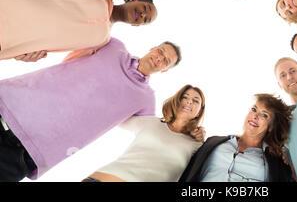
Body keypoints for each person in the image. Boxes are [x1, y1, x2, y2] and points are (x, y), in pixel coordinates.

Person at [0, 38, 181, 181]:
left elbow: (152, 134)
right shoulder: (114, 46)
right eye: (160, 51)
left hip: (29, 152)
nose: (159, 58)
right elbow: (77, 39)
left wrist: (188, 131)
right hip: (9, 105)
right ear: (152, 48)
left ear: (165, 70)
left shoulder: (146, 99)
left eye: (166, 60)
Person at [0, 0, 157, 62]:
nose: (142, 14)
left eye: (145, 19)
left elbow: (71, 66)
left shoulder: (101, 42)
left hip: (9, 41)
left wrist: (29, 57)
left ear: (137, 25)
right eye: (145, 8)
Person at [83, 84, 206, 182]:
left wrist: (202, 137)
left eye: (196, 101)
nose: (189, 101)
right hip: (101, 178)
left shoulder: (196, 144)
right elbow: (115, 116)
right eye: (185, 97)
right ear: (176, 101)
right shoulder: (150, 122)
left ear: (199, 112)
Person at [179, 93, 294, 182]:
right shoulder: (214, 142)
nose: (255, 116)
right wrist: (191, 136)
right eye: (254, 109)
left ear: (271, 127)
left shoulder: (276, 162)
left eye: (264, 115)